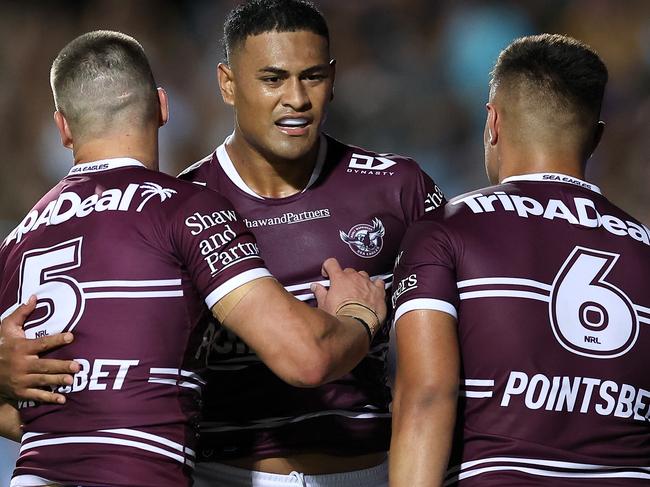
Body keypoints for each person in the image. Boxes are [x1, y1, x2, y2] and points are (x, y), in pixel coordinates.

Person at [0, 30, 387, 487]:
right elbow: (305, 357)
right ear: (163, 107)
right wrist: (359, 314)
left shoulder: (18, 239)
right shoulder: (184, 208)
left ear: (63, 127)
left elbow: (31, 407)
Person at [176, 1, 444, 486]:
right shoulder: (181, 207)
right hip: (227, 475)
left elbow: (459, 352)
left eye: (312, 76)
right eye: (273, 79)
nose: (296, 98)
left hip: (370, 471)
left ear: (334, 78)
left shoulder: (399, 187)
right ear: (228, 84)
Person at [390, 33, 650, 486]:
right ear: (597, 138)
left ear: (492, 122)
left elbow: (428, 393)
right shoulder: (645, 246)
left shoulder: (445, 230)